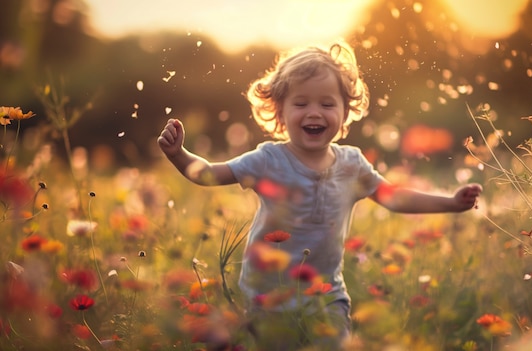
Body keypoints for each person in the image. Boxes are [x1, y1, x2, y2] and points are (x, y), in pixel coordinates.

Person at [157, 41, 482, 350]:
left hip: (326, 293)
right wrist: (179, 155)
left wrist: (451, 203)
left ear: (345, 113)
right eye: (301, 103)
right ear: (280, 113)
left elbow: (394, 197)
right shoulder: (268, 160)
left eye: (327, 104)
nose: (314, 112)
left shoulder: (352, 165)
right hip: (269, 295)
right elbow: (212, 174)